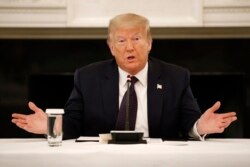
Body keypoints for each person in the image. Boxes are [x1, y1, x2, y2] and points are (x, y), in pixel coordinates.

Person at [12, 13, 237, 140]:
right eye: (121, 41)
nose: (129, 47)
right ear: (111, 47)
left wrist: (201, 127)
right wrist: (50, 127)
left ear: (149, 43)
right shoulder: (87, 77)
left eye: (137, 39)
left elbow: (189, 123)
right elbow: (73, 124)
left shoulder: (175, 77)